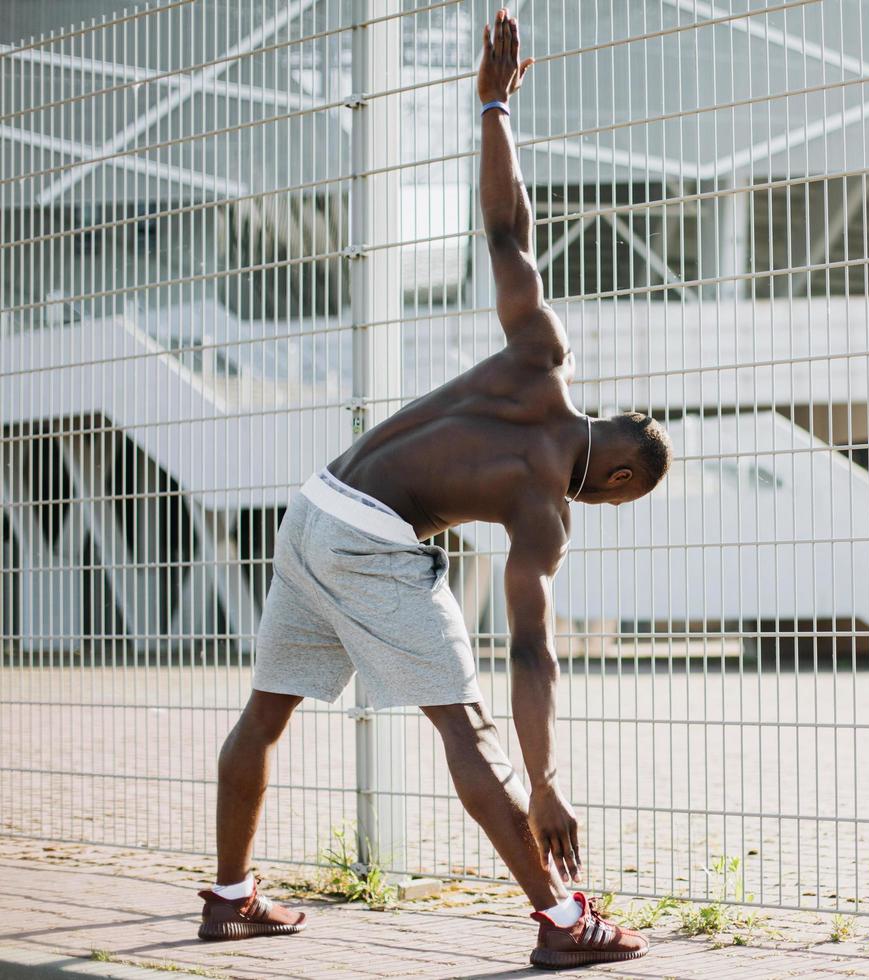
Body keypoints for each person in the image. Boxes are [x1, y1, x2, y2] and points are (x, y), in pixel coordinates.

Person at [197, 10, 668, 969]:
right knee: (465, 726)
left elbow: (508, 231)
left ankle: (232, 897)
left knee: (266, 710)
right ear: (617, 476)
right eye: (622, 498)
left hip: (314, 504)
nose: (609, 507)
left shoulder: (539, 357)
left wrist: (493, 106)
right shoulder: (545, 510)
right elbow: (530, 655)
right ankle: (561, 922)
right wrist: (546, 781)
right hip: (370, 542)